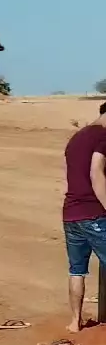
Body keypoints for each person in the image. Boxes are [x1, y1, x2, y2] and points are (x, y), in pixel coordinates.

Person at [63, 101, 106, 332]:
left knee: (76, 270)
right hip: (94, 213)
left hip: (71, 213)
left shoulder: (77, 138)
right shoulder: (103, 137)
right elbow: (96, 172)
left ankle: (75, 322)